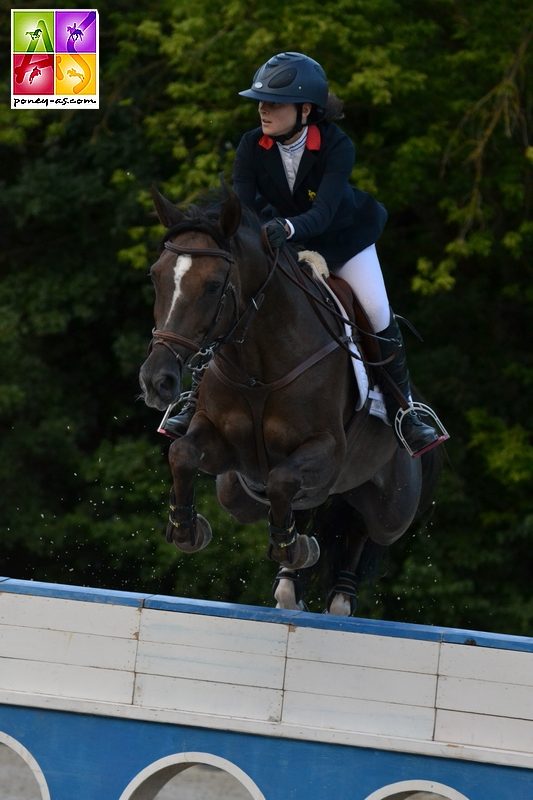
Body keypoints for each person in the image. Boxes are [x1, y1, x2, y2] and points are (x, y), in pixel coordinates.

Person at [165, 51, 448, 457]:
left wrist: (289, 228)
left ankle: (405, 411)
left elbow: (325, 211)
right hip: (279, 239)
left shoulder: (336, 145)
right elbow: (244, 209)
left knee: (377, 311)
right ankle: (195, 399)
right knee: (232, 297)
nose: (262, 108)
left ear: (305, 110)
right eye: (261, 100)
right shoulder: (251, 145)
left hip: (341, 239)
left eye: (274, 102)